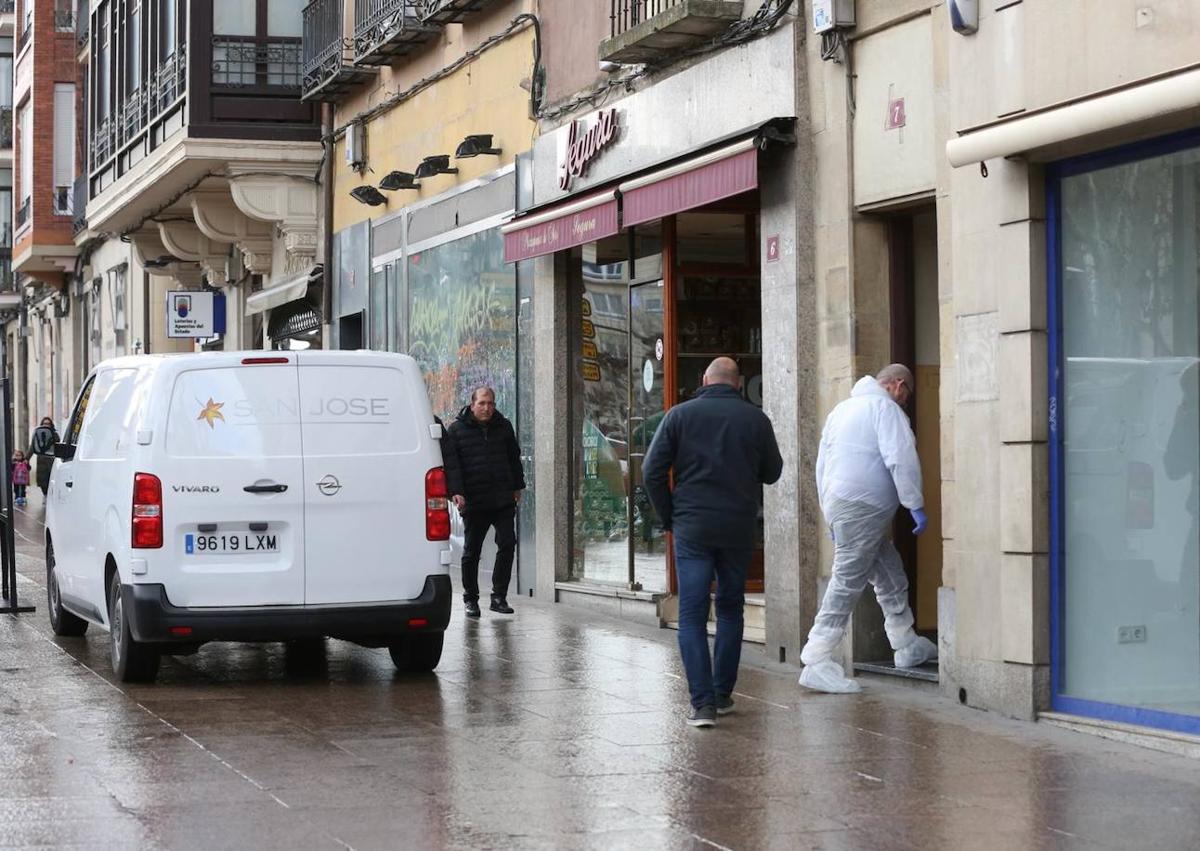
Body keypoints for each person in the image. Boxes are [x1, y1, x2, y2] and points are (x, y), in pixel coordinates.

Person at [643, 357, 783, 728]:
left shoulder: (679, 416)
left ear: (705, 380)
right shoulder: (756, 419)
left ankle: (702, 705)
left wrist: (670, 515)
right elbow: (773, 472)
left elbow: (650, 471)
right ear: (738, 384)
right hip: (737, 526)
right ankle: (722, 694)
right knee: (730, 608)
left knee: (691, 613)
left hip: (692, 527)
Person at [798, 364, 937, 694]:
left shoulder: (841, 410)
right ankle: (816, 657)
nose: (905, 403)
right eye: (906, 396)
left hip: (841, 502)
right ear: (898, 386)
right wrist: (914, 503)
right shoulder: (884, 408)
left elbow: (821, 465)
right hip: (865, 506)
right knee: (847, 579)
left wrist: (830, 513)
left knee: (889, 571)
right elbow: (900, 458)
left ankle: (905, 642)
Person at [443, 386, 526, 618]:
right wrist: (456, 492)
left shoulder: (504, 426)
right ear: (472, 405)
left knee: (508, 543)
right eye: (482, 403)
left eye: (490, 403)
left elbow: (513, 457)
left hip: (502, 498)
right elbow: (452, 465)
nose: (487, 407)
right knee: (472, 551)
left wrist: (517, 485)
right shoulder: (457, 430)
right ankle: (470, 599)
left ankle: (499, 596)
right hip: (475, 500)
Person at [28, 417, 59, 499]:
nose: (46, 425)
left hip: (51, 461)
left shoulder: (54, 434)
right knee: (43, 481)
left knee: (51, 480)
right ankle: (45, 496)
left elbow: (58, 446)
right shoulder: (38, 434)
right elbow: (32, 447)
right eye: (44, 423)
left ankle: (50, 497)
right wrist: (26, 459)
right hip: (41, 461)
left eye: (48, 423)